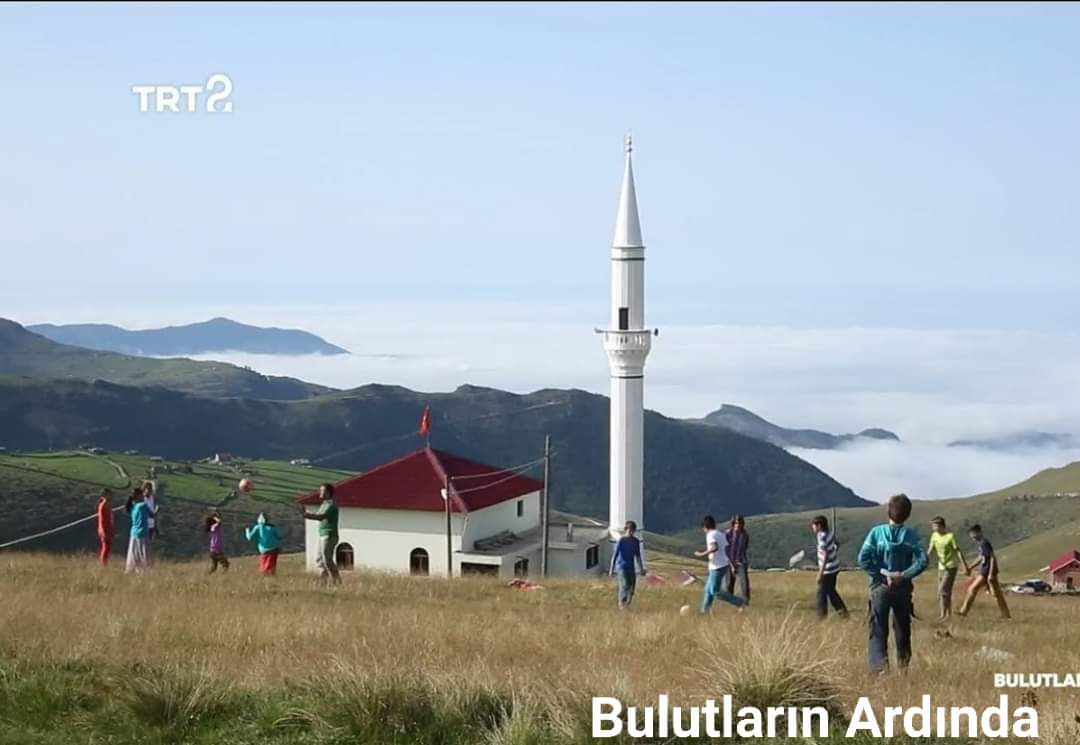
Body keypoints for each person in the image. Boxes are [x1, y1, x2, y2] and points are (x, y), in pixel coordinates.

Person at [856, 494, 928, 673]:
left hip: (880, 587)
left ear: (888, 511)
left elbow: (862, 558)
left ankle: (879, 669)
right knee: (902, 628)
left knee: (878, 628)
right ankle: (903, 667)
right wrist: (903, 575)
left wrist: (881, 573)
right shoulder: (911, 536)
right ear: (908, 514)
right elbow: (923, 560)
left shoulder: (876, 533)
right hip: (902, 588)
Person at [956, 524, 1011, 619]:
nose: (972, 537)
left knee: (972, 589)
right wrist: (970, 567)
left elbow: (992, 557)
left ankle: (964, 611)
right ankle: (1005, 614)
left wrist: (990, 574)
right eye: (971, 535)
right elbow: (981, 557)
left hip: (987, 571)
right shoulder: (981, 543)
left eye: (973, 534)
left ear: (978, 532)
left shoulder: (984, 542)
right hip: (985, 570)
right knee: (996, 593)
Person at [695, 515, 746, 613]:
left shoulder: (710, 535)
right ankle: (704, 611)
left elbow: (715, 547)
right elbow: (726, 550)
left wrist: (701, 554)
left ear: (706, 526)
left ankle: (740, 602)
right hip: (722, 565)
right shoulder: (720, 534)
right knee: (707, 590)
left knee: (715, 592)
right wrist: (731, 564)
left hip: (717, 567)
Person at [926, 516, 970, 620]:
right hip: (941, 567)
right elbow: (930, 549)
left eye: (934, 525)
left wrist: (965, 566)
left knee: (942, 590)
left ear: (940, 525)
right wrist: (925, 559)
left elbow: (958, 551)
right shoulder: (934, 536)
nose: (932, 527)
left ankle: (946, 614)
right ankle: (945, 614)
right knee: (946, 592)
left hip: (951, 566)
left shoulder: (950, 536)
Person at [302, 483, 341, 586]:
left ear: (327, 492)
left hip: (329, 534)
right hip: (323, 535)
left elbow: (321, 517)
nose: (319, 492)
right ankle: (323, 582)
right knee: (319, 559)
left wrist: (307, 515)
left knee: (326, 559)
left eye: (322, 490)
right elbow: (319, 515)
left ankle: (336, 581)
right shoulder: (324, 504)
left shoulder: (332, 505)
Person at [811, 515, 848, 619]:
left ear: (819, 526)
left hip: (828, 570)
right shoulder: (829, 533)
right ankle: (844, 614)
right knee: (831, 592)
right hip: (835, 567)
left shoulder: (821, 537)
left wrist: (820, 572)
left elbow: (826, 553)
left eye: (814, 525)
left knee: (821, 594)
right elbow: (837, 543)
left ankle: (821, 617)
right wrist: (834, 553)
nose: (812, 528)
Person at [609, 521, 647, 609]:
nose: (631, 533)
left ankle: (627, 604)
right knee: (624, 584)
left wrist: (641, 568)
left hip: (631, 567)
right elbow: (615, 555)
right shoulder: (621, 541)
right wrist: (612, 569)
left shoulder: (636, 542)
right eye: (629, 531)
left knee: (631, 586)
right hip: (621, 566)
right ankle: (621, 603)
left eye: (633, 531)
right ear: (625, 530)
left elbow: (638, 556)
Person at [724, 515, 751, 604]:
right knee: (729, 583)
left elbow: (744, 548)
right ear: (732, 524)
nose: (738, 525)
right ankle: (730, 601)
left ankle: (745, 601)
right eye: (736, 523)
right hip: (729, 561)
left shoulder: (745, 535)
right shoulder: (728, 534)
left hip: (741, 561)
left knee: (744, 582)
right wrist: (732, 565)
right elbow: (726, 550)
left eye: (739, 523)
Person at [125, 490, 151, 574]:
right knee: (144, 554)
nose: (143, 497)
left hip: (134, 533)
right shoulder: (143, 505)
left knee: (133, 554)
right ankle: (143, 571)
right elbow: (152, 514)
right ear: (139, 496)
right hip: (143, 533)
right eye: (142, 495)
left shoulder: (133, 506)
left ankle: (131, 570)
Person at [95, 489, 114, 566]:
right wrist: (104, 530)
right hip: (105, 529)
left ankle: (104, 562)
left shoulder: (106, 504)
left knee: (107, 547)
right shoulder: (104, 505)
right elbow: (103, 519)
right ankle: (103, 563)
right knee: (106, 547)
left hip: (107, 528)